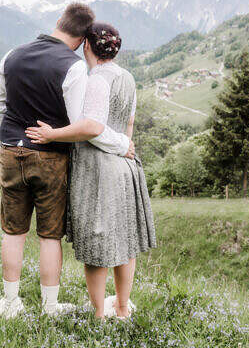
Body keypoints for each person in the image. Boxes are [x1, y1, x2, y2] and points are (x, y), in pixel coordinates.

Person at [0, 4, 135, 318]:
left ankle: (11, 303)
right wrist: (123, 143)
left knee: (13, 231)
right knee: (49, 234)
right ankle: (50, 307)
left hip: (11, 149)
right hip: (51, 158)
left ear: (59, 22)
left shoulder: (11, 55)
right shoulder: (74, 67)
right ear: (84, 40)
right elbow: (81, 124)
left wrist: (10, 140)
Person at [25, 22, 156, 319]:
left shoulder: (96, 79)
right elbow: (129, 124)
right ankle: (122, 308)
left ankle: (99, 314)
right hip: (126, 166)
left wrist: (52, 135)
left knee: (97, 245)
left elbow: (92, 128)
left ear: (87, 46)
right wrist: (123, 146)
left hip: (99, 169)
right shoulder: (128, 77)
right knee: (124, 242)